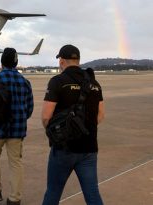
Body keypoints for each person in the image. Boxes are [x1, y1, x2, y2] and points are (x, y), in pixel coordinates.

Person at [41, 45, 105, 205]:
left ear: (61, 61)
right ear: (78, 60)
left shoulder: (58, 81)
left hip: (64, 148)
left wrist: (58, 133)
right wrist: (84, 128)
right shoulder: (94, 83)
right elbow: (101, 115)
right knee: (92, 193)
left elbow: (45, 117)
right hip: (89, 148)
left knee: (53, 192)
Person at [0, 48, 34, 205]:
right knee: (15, 162)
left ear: (1, 62)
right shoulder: (25, 82)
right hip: (17, 130)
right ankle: (14, 199)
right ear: (16, 63)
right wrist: (19, 118)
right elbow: (29, 109)